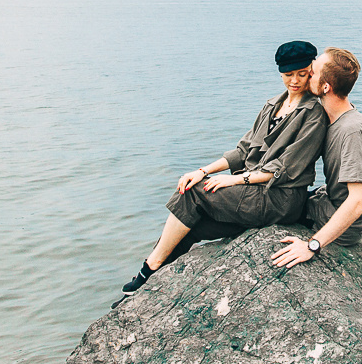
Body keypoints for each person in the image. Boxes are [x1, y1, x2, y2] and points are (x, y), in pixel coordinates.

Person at [119, 40, 331, 298]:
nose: (295, 80)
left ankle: (148, 268)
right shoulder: (272, 105)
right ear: (280, 73)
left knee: (193, 193)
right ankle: (147, 288)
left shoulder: (314, 114)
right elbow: (242, 150)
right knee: (190, 224)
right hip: (253, 191)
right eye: (288, 74)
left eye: (302, 73)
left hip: (279, 197)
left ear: (312, 70)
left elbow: (284, 169)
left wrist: (235, 181)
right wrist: (203, 171)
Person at [272, 46, 362, 268]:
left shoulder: (351, 129)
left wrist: (312, 246)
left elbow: (359, 202)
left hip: (344, 224)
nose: (307, 74)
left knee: (269, 208)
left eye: (312, 73)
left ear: (326, 86)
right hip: (328, 201)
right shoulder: (332, 118)